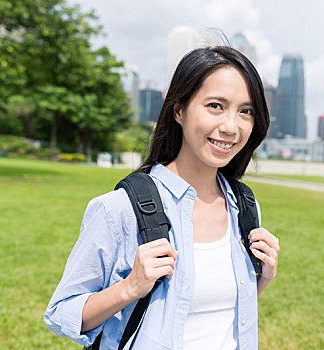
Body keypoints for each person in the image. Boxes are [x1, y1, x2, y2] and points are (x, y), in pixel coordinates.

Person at [44, 46, 280, 350]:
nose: (231, 127)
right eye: (215, 106)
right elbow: (61, 313)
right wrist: (130, 288)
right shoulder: (119, 209)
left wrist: (263, 278)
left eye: (245, 111)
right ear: (179, 110)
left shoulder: (245, 207)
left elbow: (216, 315)